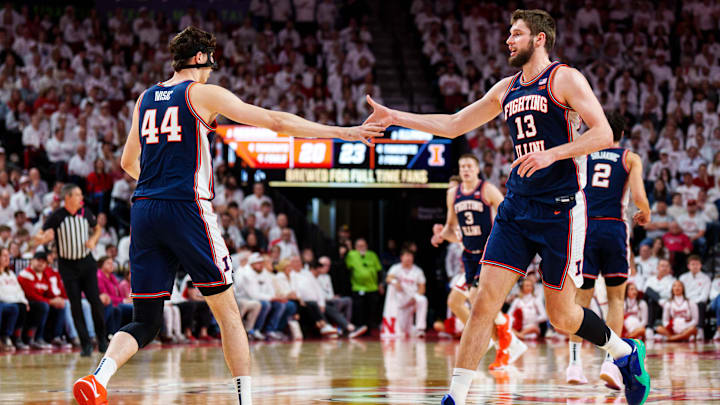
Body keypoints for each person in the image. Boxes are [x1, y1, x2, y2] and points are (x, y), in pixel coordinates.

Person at [73, 26, 381, 405]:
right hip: (186, 208)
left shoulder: (145, 98)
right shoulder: (201, 93)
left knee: (146, 319)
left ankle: (98, 378)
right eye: (210, 64)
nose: (211, 72)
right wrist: (344, 133)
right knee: (228, 313)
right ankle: (243, 401)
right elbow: (277, 122)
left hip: (145, 209)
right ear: (201, 59)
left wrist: (160, 183)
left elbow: (127, 161)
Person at [364, 10, 649, 405]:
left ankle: (624, 352)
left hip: (561, 211)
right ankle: (455, 397)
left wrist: (554, 155)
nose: (508, 40)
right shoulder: (506, 88)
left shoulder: (564, 78)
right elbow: (453, 124)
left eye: (516, 34)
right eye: (508, 34)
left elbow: (601, 132)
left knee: (562, 316)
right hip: (516, 208)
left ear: (540, 39)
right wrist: (396, 116)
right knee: (483, 303)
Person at [566, 110, 650, 390]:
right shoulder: (629, 157)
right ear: (623, 134)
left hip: (585, 228)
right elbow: (638, 197)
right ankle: (611, 364)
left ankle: (574, 365)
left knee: (580, 300)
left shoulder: (584, 154)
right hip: (613, 229)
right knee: (615, 300)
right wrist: (645, 212)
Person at [431, 154, 526, 369]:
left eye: (469, 166)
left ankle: (502, 338)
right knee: (466, 302)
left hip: (488, 253)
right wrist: (440, 235)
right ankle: (506, 338)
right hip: (468, 254)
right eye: (462, 166)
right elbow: (452, 228)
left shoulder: (487, 189)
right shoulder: (452, 194)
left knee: (475, 298)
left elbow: (508, 214)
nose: (465, 169)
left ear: (476, 169)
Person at [34, 183, 108, 357]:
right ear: (67, 198)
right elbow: (38, 237)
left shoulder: (85, 212)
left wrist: (93, 240)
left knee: (95, 302)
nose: (81, 198)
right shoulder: (56, 216)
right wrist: (42, 238)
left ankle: (103, 340)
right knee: (75, 306)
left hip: (87, 263)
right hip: (67, 267)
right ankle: (85, 344)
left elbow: (97, 228)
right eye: (77, 195)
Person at [381, 249, 428, 338]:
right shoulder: (396, 268)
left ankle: (420, 329)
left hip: (411, 298)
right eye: (406, 256)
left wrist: (415, 296)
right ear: (401, 257)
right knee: (402, 331)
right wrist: (395, 282)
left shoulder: (418, 271)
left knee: (422, 299)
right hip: (398, 299)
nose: (408, 258)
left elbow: (422, 288)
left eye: (410, 256)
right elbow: (388, 279)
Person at [345, 237, 383, 331]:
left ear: (366, 246)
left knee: (372, 310)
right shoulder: (352, 254)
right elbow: (347, 268)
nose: (361, 248)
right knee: (359, 311)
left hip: (372, 287)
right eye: (359, 246)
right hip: (358, 287)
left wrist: (380, 284)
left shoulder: (372, 255)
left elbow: (379, 270)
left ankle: (371, 329)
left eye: (363, 245)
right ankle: (359, 328)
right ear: (355, 247)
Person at [678, 255, 711, 340]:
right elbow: (680, 292)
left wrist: (693, 303)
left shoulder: (706, 278)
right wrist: (687, 302)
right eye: (693, 264)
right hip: (685, 302)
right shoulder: (683, 277)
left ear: (701, 265)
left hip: (698, 302)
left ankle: (700, 329)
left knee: (701, 304)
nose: (695, 266)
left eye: (697, 264)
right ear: (688, 266)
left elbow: (704, 296)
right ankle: (682, 331)